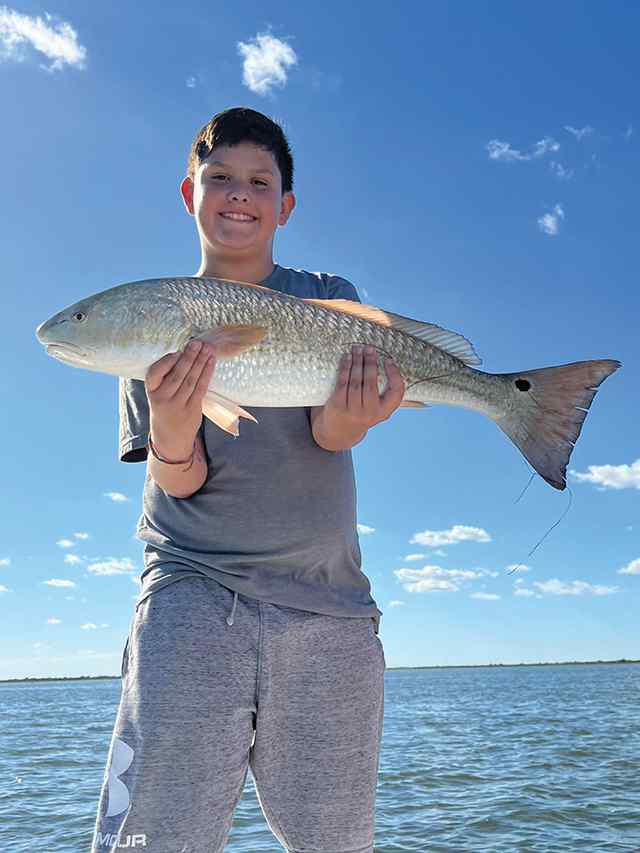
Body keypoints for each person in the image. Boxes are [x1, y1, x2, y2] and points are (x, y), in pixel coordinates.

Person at [91, 106, 405, 853]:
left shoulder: (328, 293)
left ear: (285, 205)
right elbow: (183, 478)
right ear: (188, 192)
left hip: (330, 607)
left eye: (259, 181)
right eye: (220, 177)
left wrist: (359, 415)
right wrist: (173, 421)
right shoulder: (150, 323)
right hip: (195, 593)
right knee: (152, 840)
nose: (239, 193)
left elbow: (330, 434)